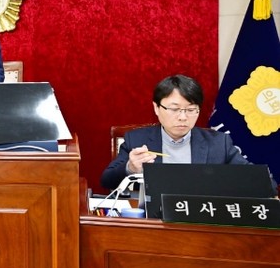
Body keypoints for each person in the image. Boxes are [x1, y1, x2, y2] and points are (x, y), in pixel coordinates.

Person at [101, 74, 252, 190]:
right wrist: (130, 168)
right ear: (156, 108)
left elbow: (256, 179)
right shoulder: (137, 140)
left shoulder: (218, 143)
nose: (183, 117)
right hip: (154, 217)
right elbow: (107, 181)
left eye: (191, 110)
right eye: (174, 109)